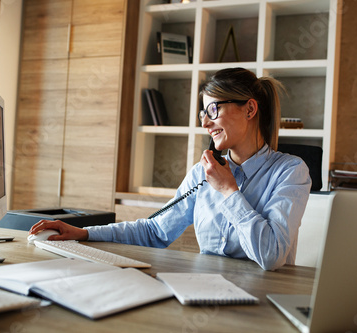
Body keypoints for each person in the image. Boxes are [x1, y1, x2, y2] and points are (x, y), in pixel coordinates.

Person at [29, 67, 311, 270]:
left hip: (263, 304)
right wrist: (85, 232)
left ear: (250, 110)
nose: (205, 124)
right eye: (203, 114)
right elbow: (155, 231)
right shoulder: (203, 174)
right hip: (206, 292)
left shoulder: (290, 171)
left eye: (213, 110)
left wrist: (228, 190)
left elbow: (271, 255)